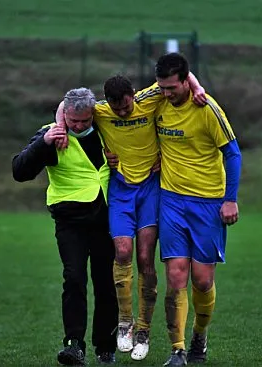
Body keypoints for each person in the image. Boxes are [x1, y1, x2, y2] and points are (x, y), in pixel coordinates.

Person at [54, 74, 206, 361]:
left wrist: (197, 87)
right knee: (122, 251)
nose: (122, 113)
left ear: (133, 95)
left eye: (126, 107)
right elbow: (65, 104)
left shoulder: (148, 98)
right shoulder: (99, 110)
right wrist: (62, 129)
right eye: (117, 109)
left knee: (146, 257)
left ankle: (143, 329)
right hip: (121, 189)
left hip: (150, 187)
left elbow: (179, 75)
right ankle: (125, 322)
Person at [12, 88, 118, 365]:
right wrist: (44, 142)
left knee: (106, 282)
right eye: (73, 121)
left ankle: (106, 347)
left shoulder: (106, 128)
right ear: (65, 115)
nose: (79, 126)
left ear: (92, 115)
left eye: (85, 121)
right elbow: (19, 171)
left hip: (106, 217)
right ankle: (74, 345)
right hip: (70, 221)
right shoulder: (52, 134)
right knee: (74, 279)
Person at [153, 53, 242, 366]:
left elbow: (233, 154)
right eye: (162, 87)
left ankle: (199, 337)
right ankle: (177, 350)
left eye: (172, 88)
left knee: (202, 280)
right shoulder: (156, 101)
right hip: (172, 201)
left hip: (208, 203)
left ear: (186, 82)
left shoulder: (208, 109)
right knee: (176, 274)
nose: (166, 93)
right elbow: (117, 110)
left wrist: (230, 199)